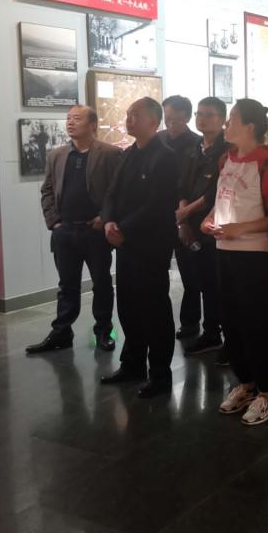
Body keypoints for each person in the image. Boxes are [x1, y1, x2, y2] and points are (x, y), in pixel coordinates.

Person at [203, 100, 268, 426]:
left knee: (255, 325)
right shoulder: (226, 159)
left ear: (250, 127)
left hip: (253, 256)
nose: (226, 125)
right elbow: (223, 200)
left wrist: (240, 229)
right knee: (231, 322)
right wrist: (210, 220)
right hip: (224, 250)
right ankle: (246, 383)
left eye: (232, 119)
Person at [100, 98, 180, 398]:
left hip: (151, 244)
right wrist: (109, 221)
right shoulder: (128, 153)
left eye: (135, 115)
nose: (128, 119)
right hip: (125, 244)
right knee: (128, 306)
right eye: (128, 114)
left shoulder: (166, 157)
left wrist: (123, 228)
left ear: (153, 122)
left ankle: (160, 374)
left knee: (154, 309)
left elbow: (158, 204)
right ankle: (132, 364)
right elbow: (111, 193)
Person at [27, 106, 121, 356]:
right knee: (67, 285)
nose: (70, 123)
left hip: (95, 231)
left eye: (77, 119)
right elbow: (47, 190)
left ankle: (104, 331)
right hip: (65, 231)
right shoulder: (56, 155)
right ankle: (62, 332)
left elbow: (118, 191)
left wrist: (105, 217)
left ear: (93, 124)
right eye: (68, 119)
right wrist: (54, 222)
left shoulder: (110, 154)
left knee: (101, 283)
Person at [175, 96, 230, 357]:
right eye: (199, 114)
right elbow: (181, 185)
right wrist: (183, 218)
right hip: (188, 224)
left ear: (222, 119)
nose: (202, 119)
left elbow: (216, 191)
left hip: (213, 226)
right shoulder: (193, 148)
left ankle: (213, 332)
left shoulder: (227, 151)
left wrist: (187, 211)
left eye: (208, 114)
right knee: (192, 278)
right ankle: (195, 325)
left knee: (212, 283)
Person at [159, 95, 203, 340]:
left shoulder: (196, 144)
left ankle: (190, 322)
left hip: (187, 215)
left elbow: (190, 185)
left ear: (187, 117)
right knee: (157, 272)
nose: (171, 124)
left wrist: (183, 218)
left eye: (176, 119)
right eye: (167, 119)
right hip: (159, 217)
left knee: (190, 274)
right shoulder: (158, 140)